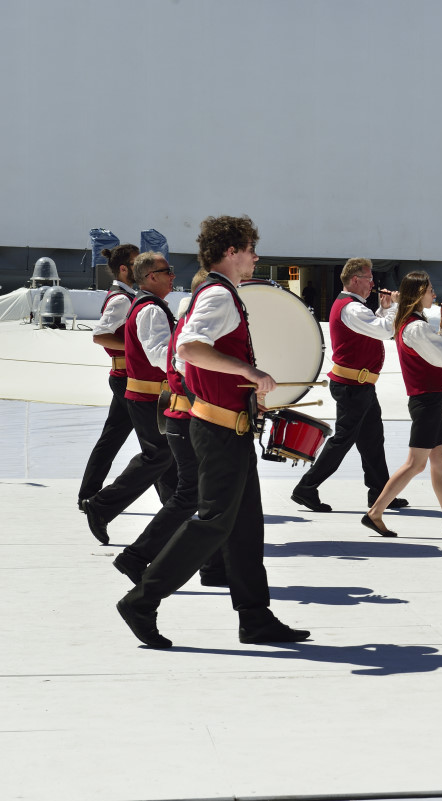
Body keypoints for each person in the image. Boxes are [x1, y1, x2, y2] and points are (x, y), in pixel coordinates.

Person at [117, 215, 308, 648]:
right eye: (249, 249)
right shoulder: (219, 296)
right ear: (230, 252)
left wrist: (241, 391)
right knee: (213, 524)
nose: (255, 257)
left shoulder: (217, 293)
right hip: (218, 431)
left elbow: (189, 361)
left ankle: (255, 617)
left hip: (225, 425)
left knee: (244, 527)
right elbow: (186, 348)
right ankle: (142, 601)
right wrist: (248, 371)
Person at [112, 267, 228, 588]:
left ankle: (212, 566)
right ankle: (137, 556)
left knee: (201, 495)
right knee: (192, 495)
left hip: (186, 417)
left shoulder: (189, 324)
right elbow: (184, 368)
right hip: (189, 419)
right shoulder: (189, 329)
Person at [290, 259, 407, 513]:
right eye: (369, 278)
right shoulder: (352, 308)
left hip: (359, 385)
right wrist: (394, 307)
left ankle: (379, 492)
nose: (373, 283)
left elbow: (371, 328)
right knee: (343, 440)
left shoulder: (354, 307)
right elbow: (385, 331)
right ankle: (306, 487)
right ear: (355, 280)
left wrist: (383, 309)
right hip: (353, 386)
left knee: (373, 439)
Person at [362, 271, 442, 536]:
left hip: (431, 399)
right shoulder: (415, 326)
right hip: (426, 400)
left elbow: (434, 352)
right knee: (416, 463)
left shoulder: (414, 323)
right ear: (418, 293)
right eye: (429, 289)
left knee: (439, 459)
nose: (434, 294)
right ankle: (375, 513)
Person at [81, 253, 180, 544]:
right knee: (159, 455)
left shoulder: (148, 305)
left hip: (148, 393)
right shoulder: (150, 309)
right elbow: (158, 353)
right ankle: (100, 505)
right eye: (167, 271)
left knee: (167, 457)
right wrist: (193, 364)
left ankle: (177, 518)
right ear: (151, 277)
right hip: (147, 395)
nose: (173, 276)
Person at [78, 243, 140, 524]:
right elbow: (100, 335)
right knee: (158, 446)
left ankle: (88, 494)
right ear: (125, 268)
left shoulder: (126, 296)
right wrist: (134, 350)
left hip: (124, 376)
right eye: (137, 264)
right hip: (127, 377)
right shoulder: (122, 300)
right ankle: (176, 498)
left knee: (112, 438)